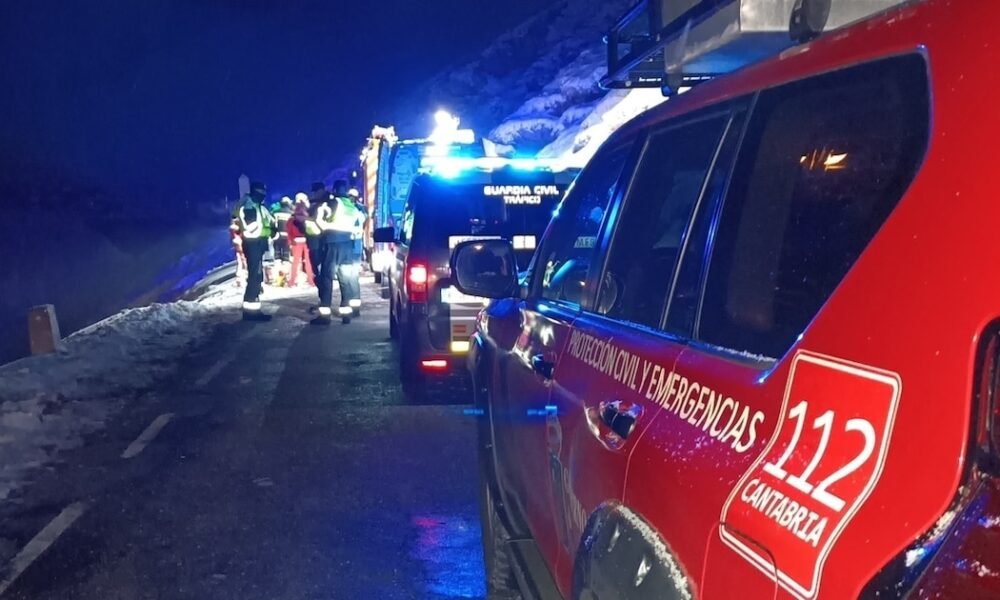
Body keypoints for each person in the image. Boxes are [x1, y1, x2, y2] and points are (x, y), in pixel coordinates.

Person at [312, 179, 365, 325]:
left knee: (327, 278)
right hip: (347, 244)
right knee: (345, 279)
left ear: (335, 190)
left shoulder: (333, 203)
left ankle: (325, 315)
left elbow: (321, 219)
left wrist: (324, 227)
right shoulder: (352, 206)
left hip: (332, 243)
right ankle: (346, 314)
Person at [233, 181, 275, 321]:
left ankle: (253, 310)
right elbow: (252, 226)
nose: (264, 195)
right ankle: (251, 312)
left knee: (257, 276)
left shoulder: (258, 206)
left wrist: (271, 228)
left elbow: (268, 221)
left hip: (258, 244)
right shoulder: (249, 205)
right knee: (254, 277)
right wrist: (269, 229)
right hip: (253, 243)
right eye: (262, 192)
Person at [287, 192, 315, 287]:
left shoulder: (292, 217)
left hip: (296, 241)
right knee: (308, 261)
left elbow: (289, 229)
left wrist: (290, 241)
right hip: (306, 240)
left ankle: (292, 281)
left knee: (295, 261)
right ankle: (311, 280)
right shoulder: (307, 215)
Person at [272, 196, 294, 262]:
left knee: (277, 254)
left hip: (277, 235)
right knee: (286, 254)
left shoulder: (275, 213)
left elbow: (273, 224)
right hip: (287, 236)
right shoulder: (291, 214)